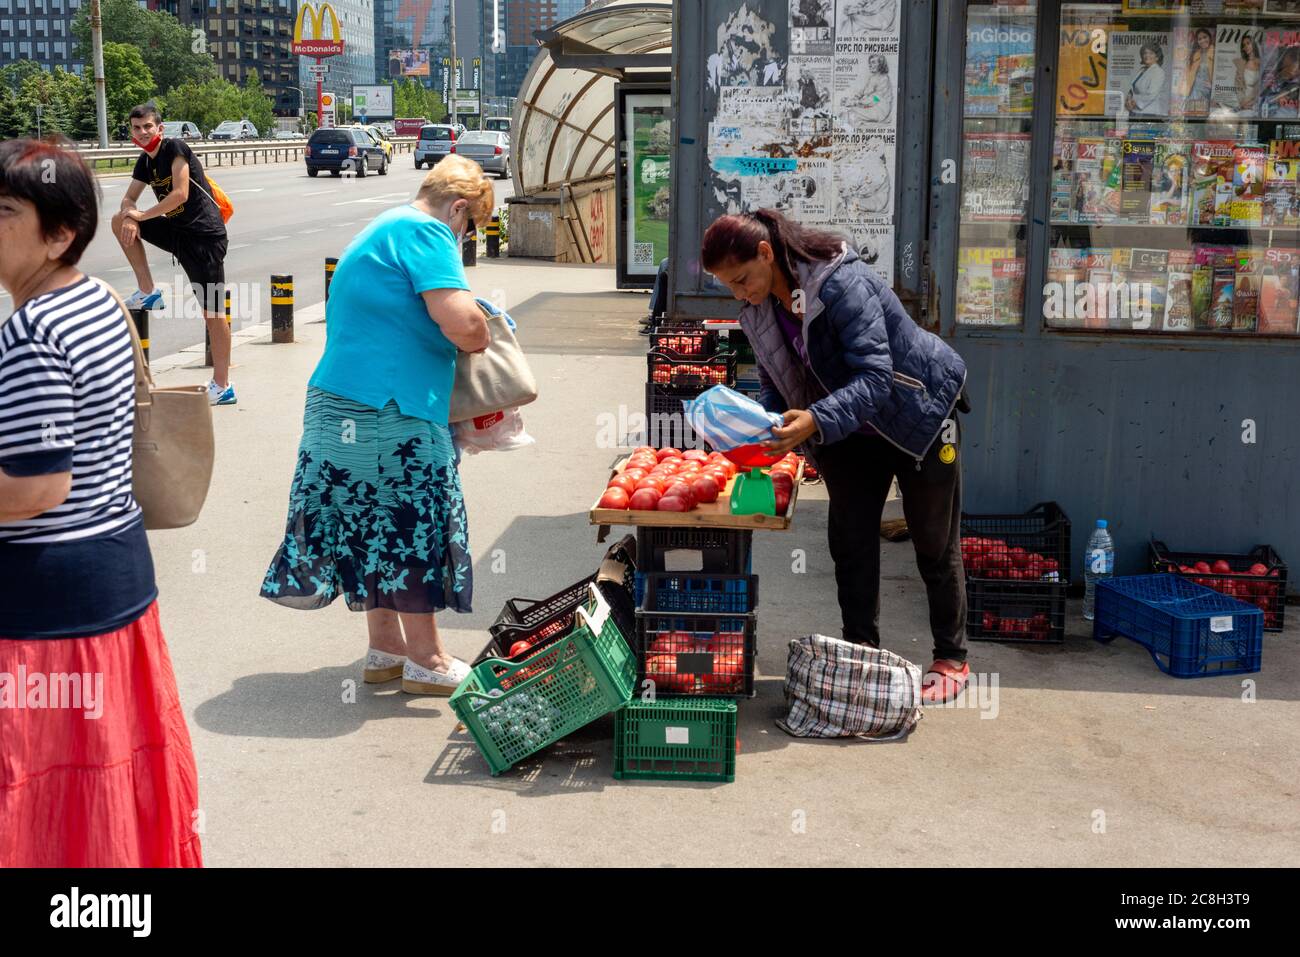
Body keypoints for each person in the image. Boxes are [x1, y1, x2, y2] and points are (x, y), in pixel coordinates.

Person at [0, 139, 202, 866]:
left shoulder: (31, 331)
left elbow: (35, 486)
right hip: (115, 586)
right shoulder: (99, 298)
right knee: (108, 792)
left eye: (4, 212)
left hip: (46, 609)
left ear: (60, 231)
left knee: (43, 801)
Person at [701, 208, 972, 703]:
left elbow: (876, 377)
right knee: (850, 541)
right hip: (849, 426)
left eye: (742, 279)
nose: (740, 294)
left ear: (766, 253)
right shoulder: (760, 309)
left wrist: (816, 420)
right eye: (730, 287)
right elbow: (774, 381)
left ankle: (951, 656)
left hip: (921, 413)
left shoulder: (841, 285)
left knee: (933, 540)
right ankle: (862, 650)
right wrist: (764, 423)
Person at [260, 155, 493, 695]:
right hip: (390, 411)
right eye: (471, 225)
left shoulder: (383, 226)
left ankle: (385, 650)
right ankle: (427, 660)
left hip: (338, 406)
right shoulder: (427, 232)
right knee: (410, 525)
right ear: (458, 209)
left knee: (371, 528)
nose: (466, 236)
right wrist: (482, 328)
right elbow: (465, 324)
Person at [111, 103, 235, 406]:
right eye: (137, 128)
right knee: (119, 220)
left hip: (205, 238)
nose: (142, 133)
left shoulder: (174, 148)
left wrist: (141, 216)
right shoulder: (145, 162)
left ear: (159, 128)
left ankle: (223, 385)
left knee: (213, 314)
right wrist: (130, 212)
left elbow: (180, 194)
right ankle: (148, 291)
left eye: (148, 127)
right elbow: (129, 197)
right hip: (179, 233)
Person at [1125, 43, 1167, 117]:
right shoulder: (1142, 70)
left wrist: (1134, 103)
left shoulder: (1158, 71)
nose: (1147, 55)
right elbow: (1132, 89)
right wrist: (1128, 100)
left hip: (1148, 113)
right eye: (1145, 53)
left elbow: (1151, 94)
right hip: (1135, 111)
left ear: (1157, 57)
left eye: (1151, 53)